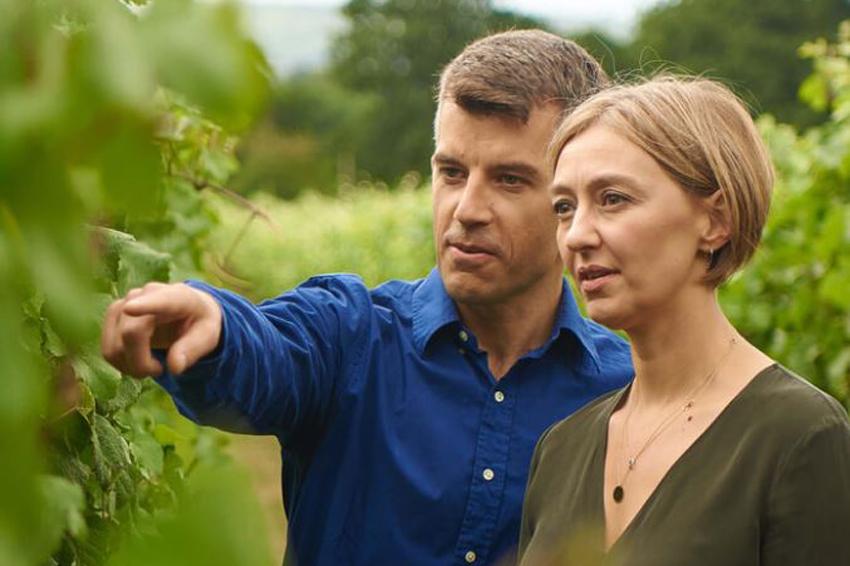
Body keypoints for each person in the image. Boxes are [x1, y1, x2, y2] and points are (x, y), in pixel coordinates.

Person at [101, 30, 634, 566]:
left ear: (574, 199)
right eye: (451, 172)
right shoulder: (350, 333)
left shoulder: (626, 393)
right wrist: (216, 327)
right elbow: (269, 351)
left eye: (510, 180)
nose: (466, 208)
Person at [517, 76, 850, 566]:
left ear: (717, 221)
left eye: (613, 199)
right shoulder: (560, 448)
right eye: (564, 208)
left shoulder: (801, 436)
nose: (577, 236)